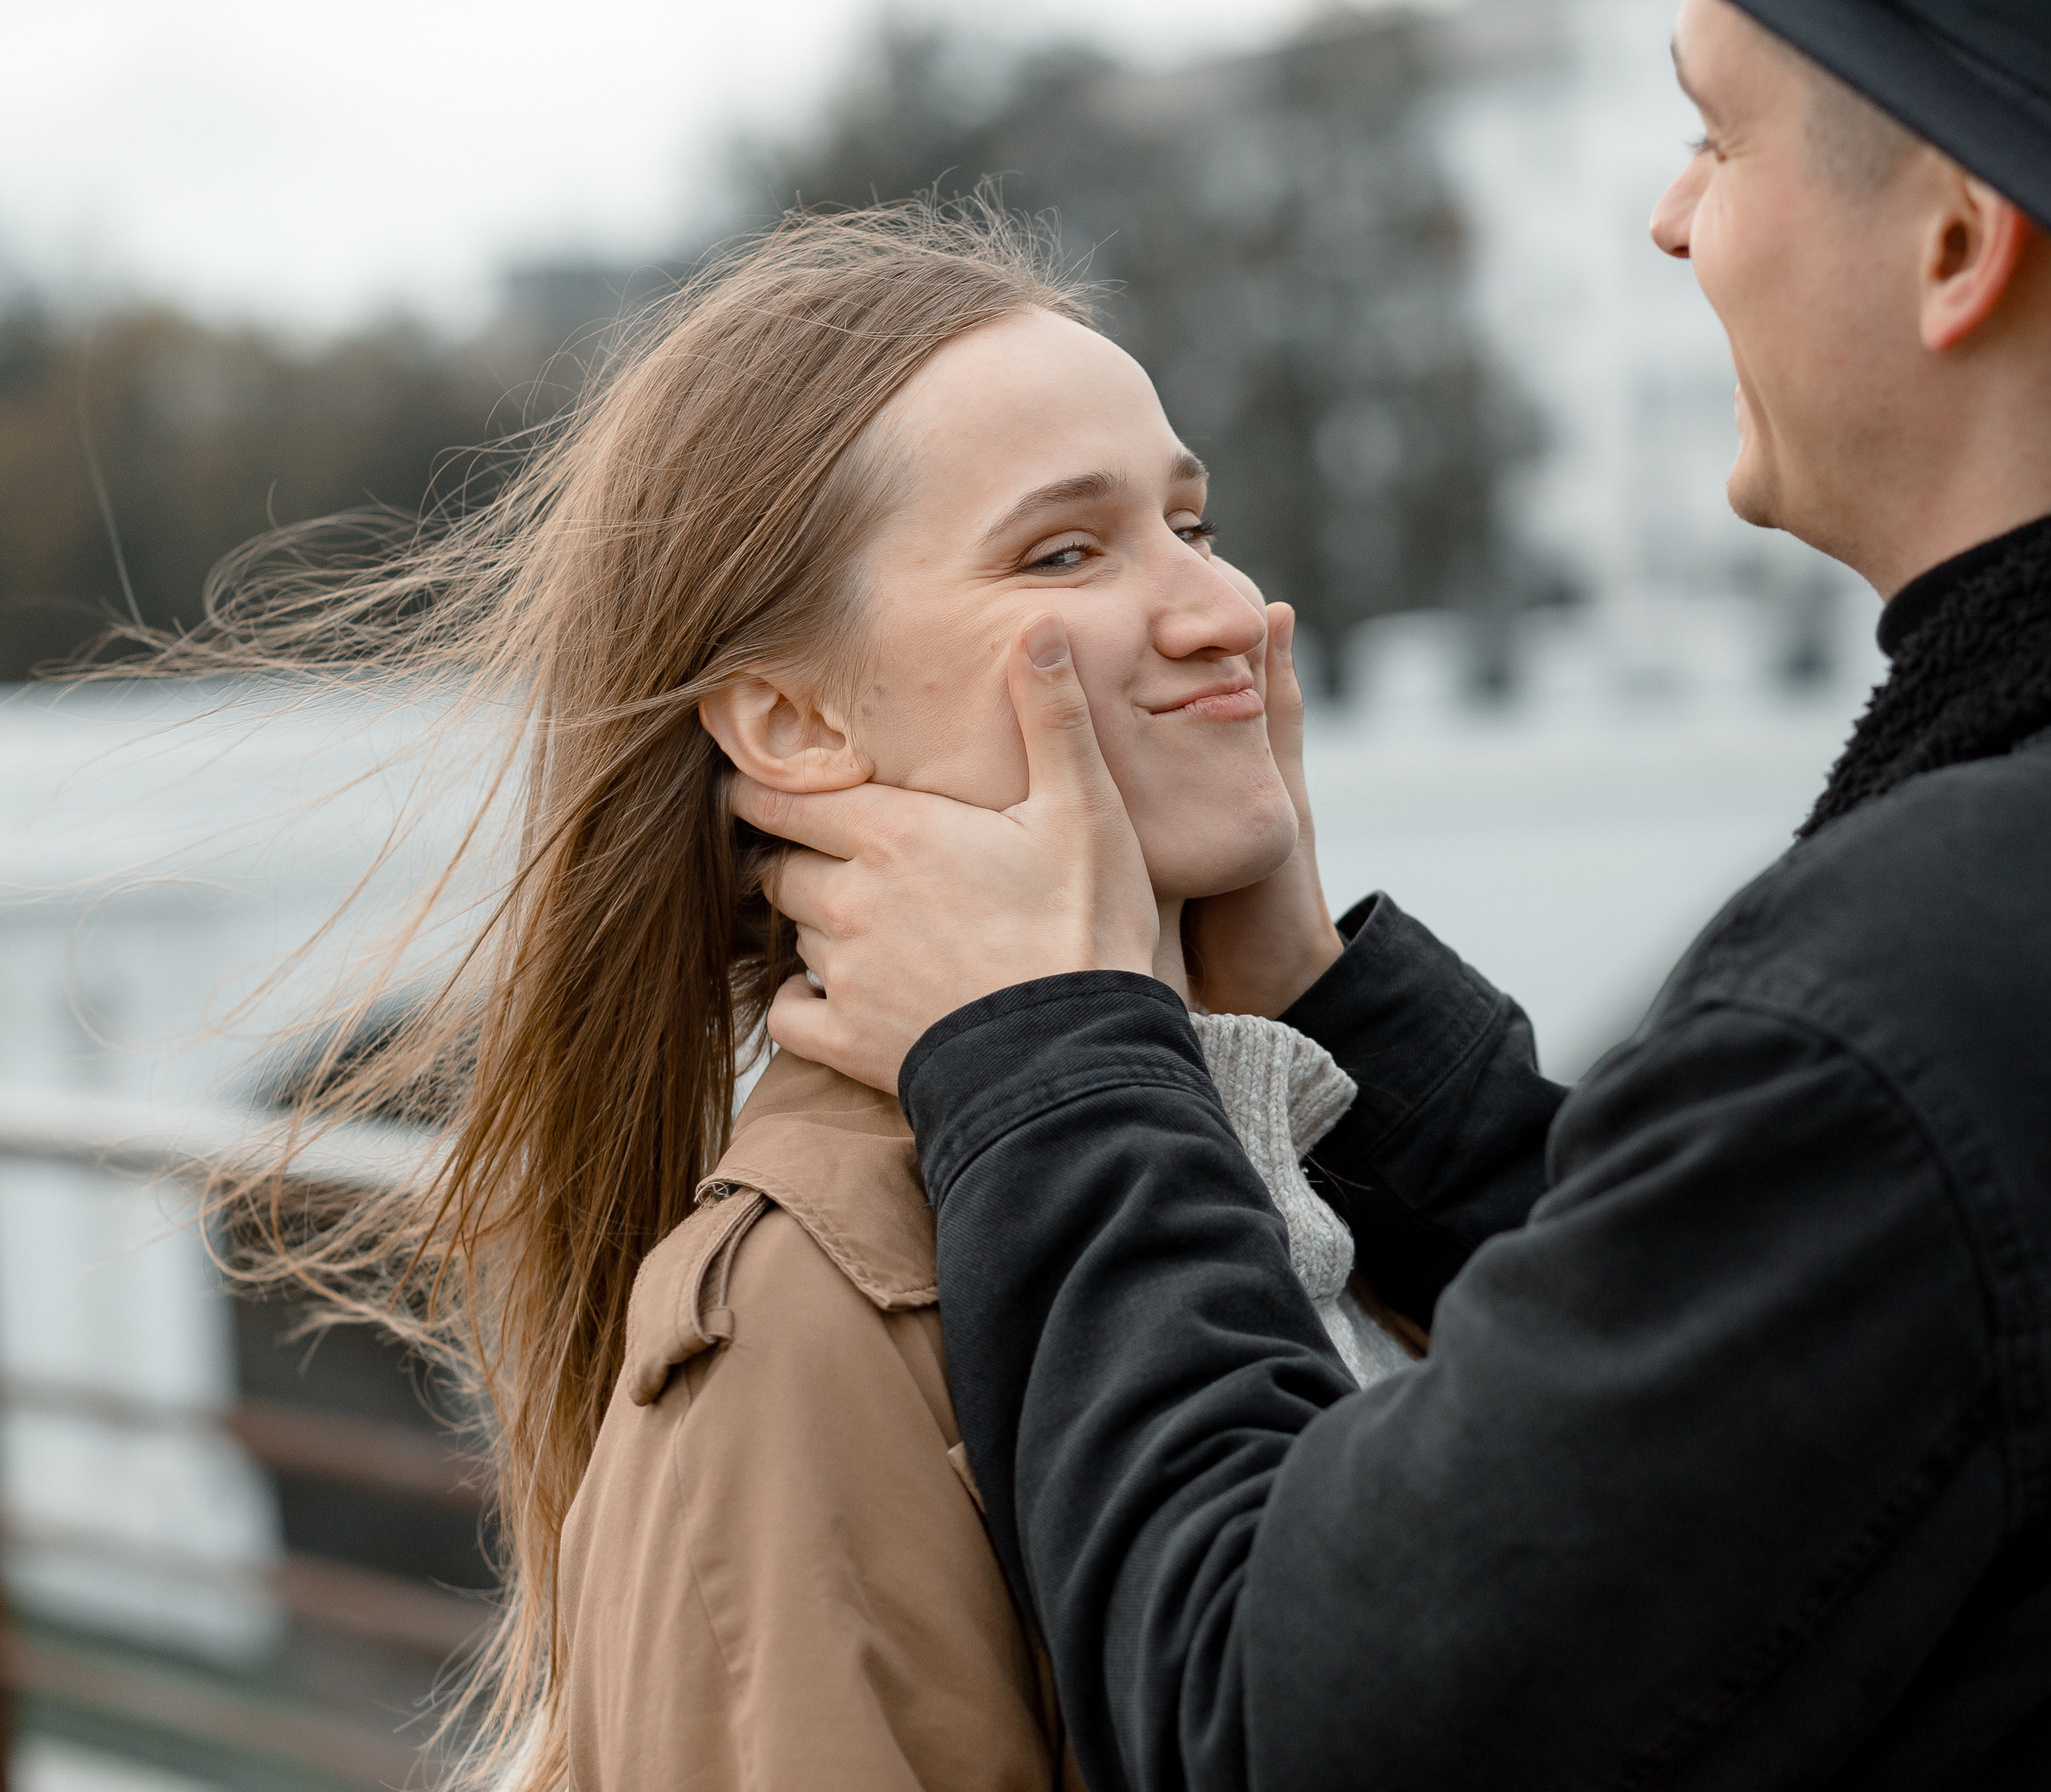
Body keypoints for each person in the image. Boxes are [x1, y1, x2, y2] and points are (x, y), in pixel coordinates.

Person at [739, 0, 2051, 1787]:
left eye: (1715, 133)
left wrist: (1047, 1063)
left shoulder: (1950, 995)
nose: (1672, 218)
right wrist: (1325, 1008)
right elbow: (1833, 1369)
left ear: (1954, 242)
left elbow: (1266, 1714)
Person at [174, 204, 1411, 1792]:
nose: (1225, 611)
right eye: (1066, 550)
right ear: (791, 724)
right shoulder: (805, 1330)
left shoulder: (1301, 1145)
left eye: (1195, 522)